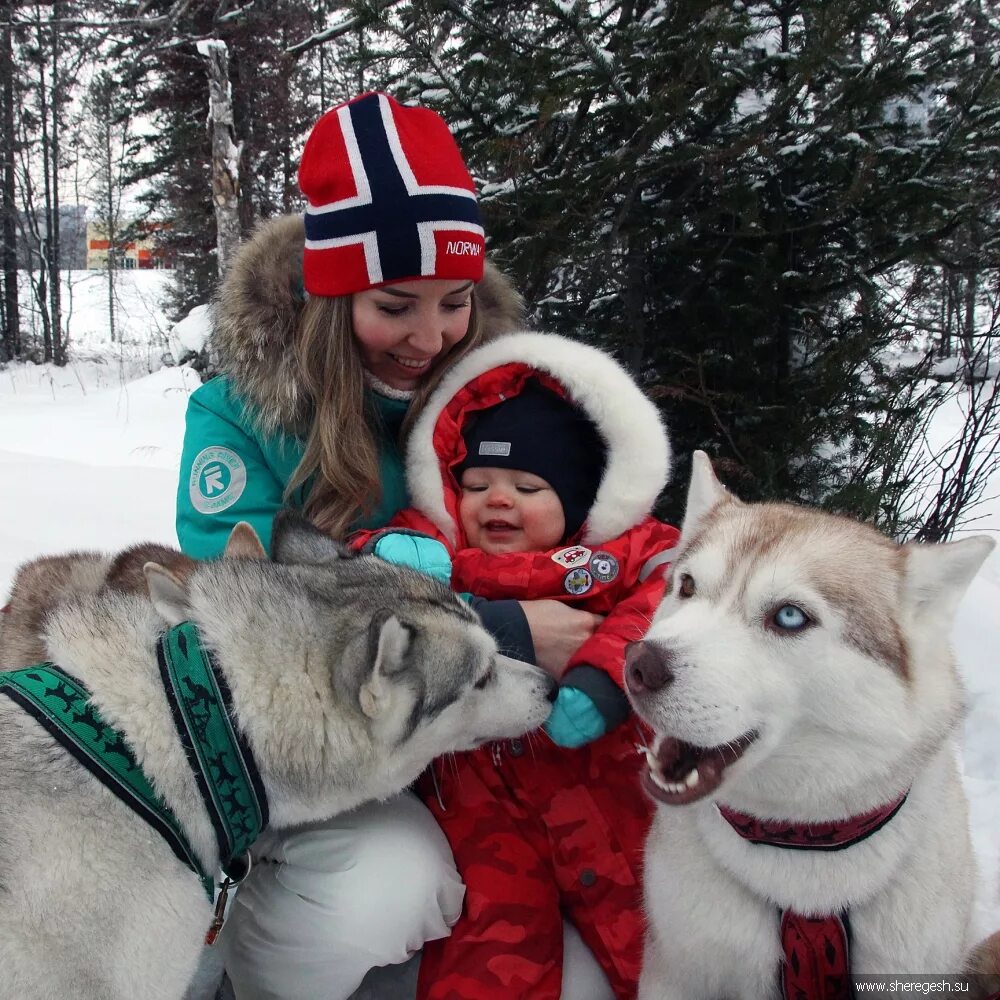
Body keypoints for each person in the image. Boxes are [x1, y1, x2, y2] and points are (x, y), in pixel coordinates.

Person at [174, 92, 599, 1000]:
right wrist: (507, 634)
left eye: (455, 303)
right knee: (385, 892)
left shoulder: (508, 404)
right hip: (313, 757)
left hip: (490, 748)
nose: (431, 336)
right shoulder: (236, 418)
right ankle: (247, 971)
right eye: (395, 305)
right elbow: (252, 624)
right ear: (332, 298)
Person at [353, 330, 681, 1000]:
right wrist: (389, 553)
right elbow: (354, 569)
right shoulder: (431, 546)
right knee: (491, 947)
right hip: (481, 801)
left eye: (527, 485)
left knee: (654, 937)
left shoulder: (624, 555)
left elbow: (669, 596)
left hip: (607, 789)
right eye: (477, 484)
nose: (497, 500)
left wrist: (602, 678)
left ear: (582, 496)